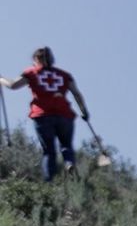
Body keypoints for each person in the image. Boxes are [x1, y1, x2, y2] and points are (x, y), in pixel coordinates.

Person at [1, 48, 90, 181]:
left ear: (37, 60)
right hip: (65, 115)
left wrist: (1, 79)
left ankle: (49, 182)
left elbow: (13, 85)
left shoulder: (32, 73)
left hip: (43, 115)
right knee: (66, 145)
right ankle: (69, 162)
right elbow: (76, 93)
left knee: (49, 151)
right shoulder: (65, 75)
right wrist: (84, 112)